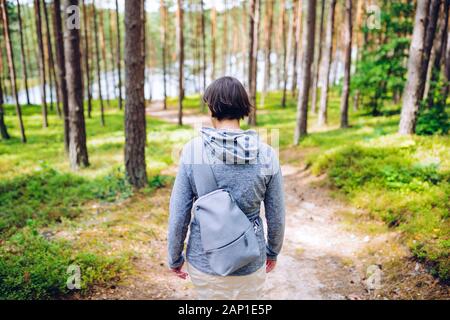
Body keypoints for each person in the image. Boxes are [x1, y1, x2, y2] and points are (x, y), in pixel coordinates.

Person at [167, 76, 285, 300]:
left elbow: (178, 214)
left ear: (212, 107)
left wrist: (174, 257)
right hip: (251, 260)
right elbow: (276, 214)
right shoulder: (267, 154)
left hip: (205, 263)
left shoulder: (193, 152)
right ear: (243, 108)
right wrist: (272, 250)